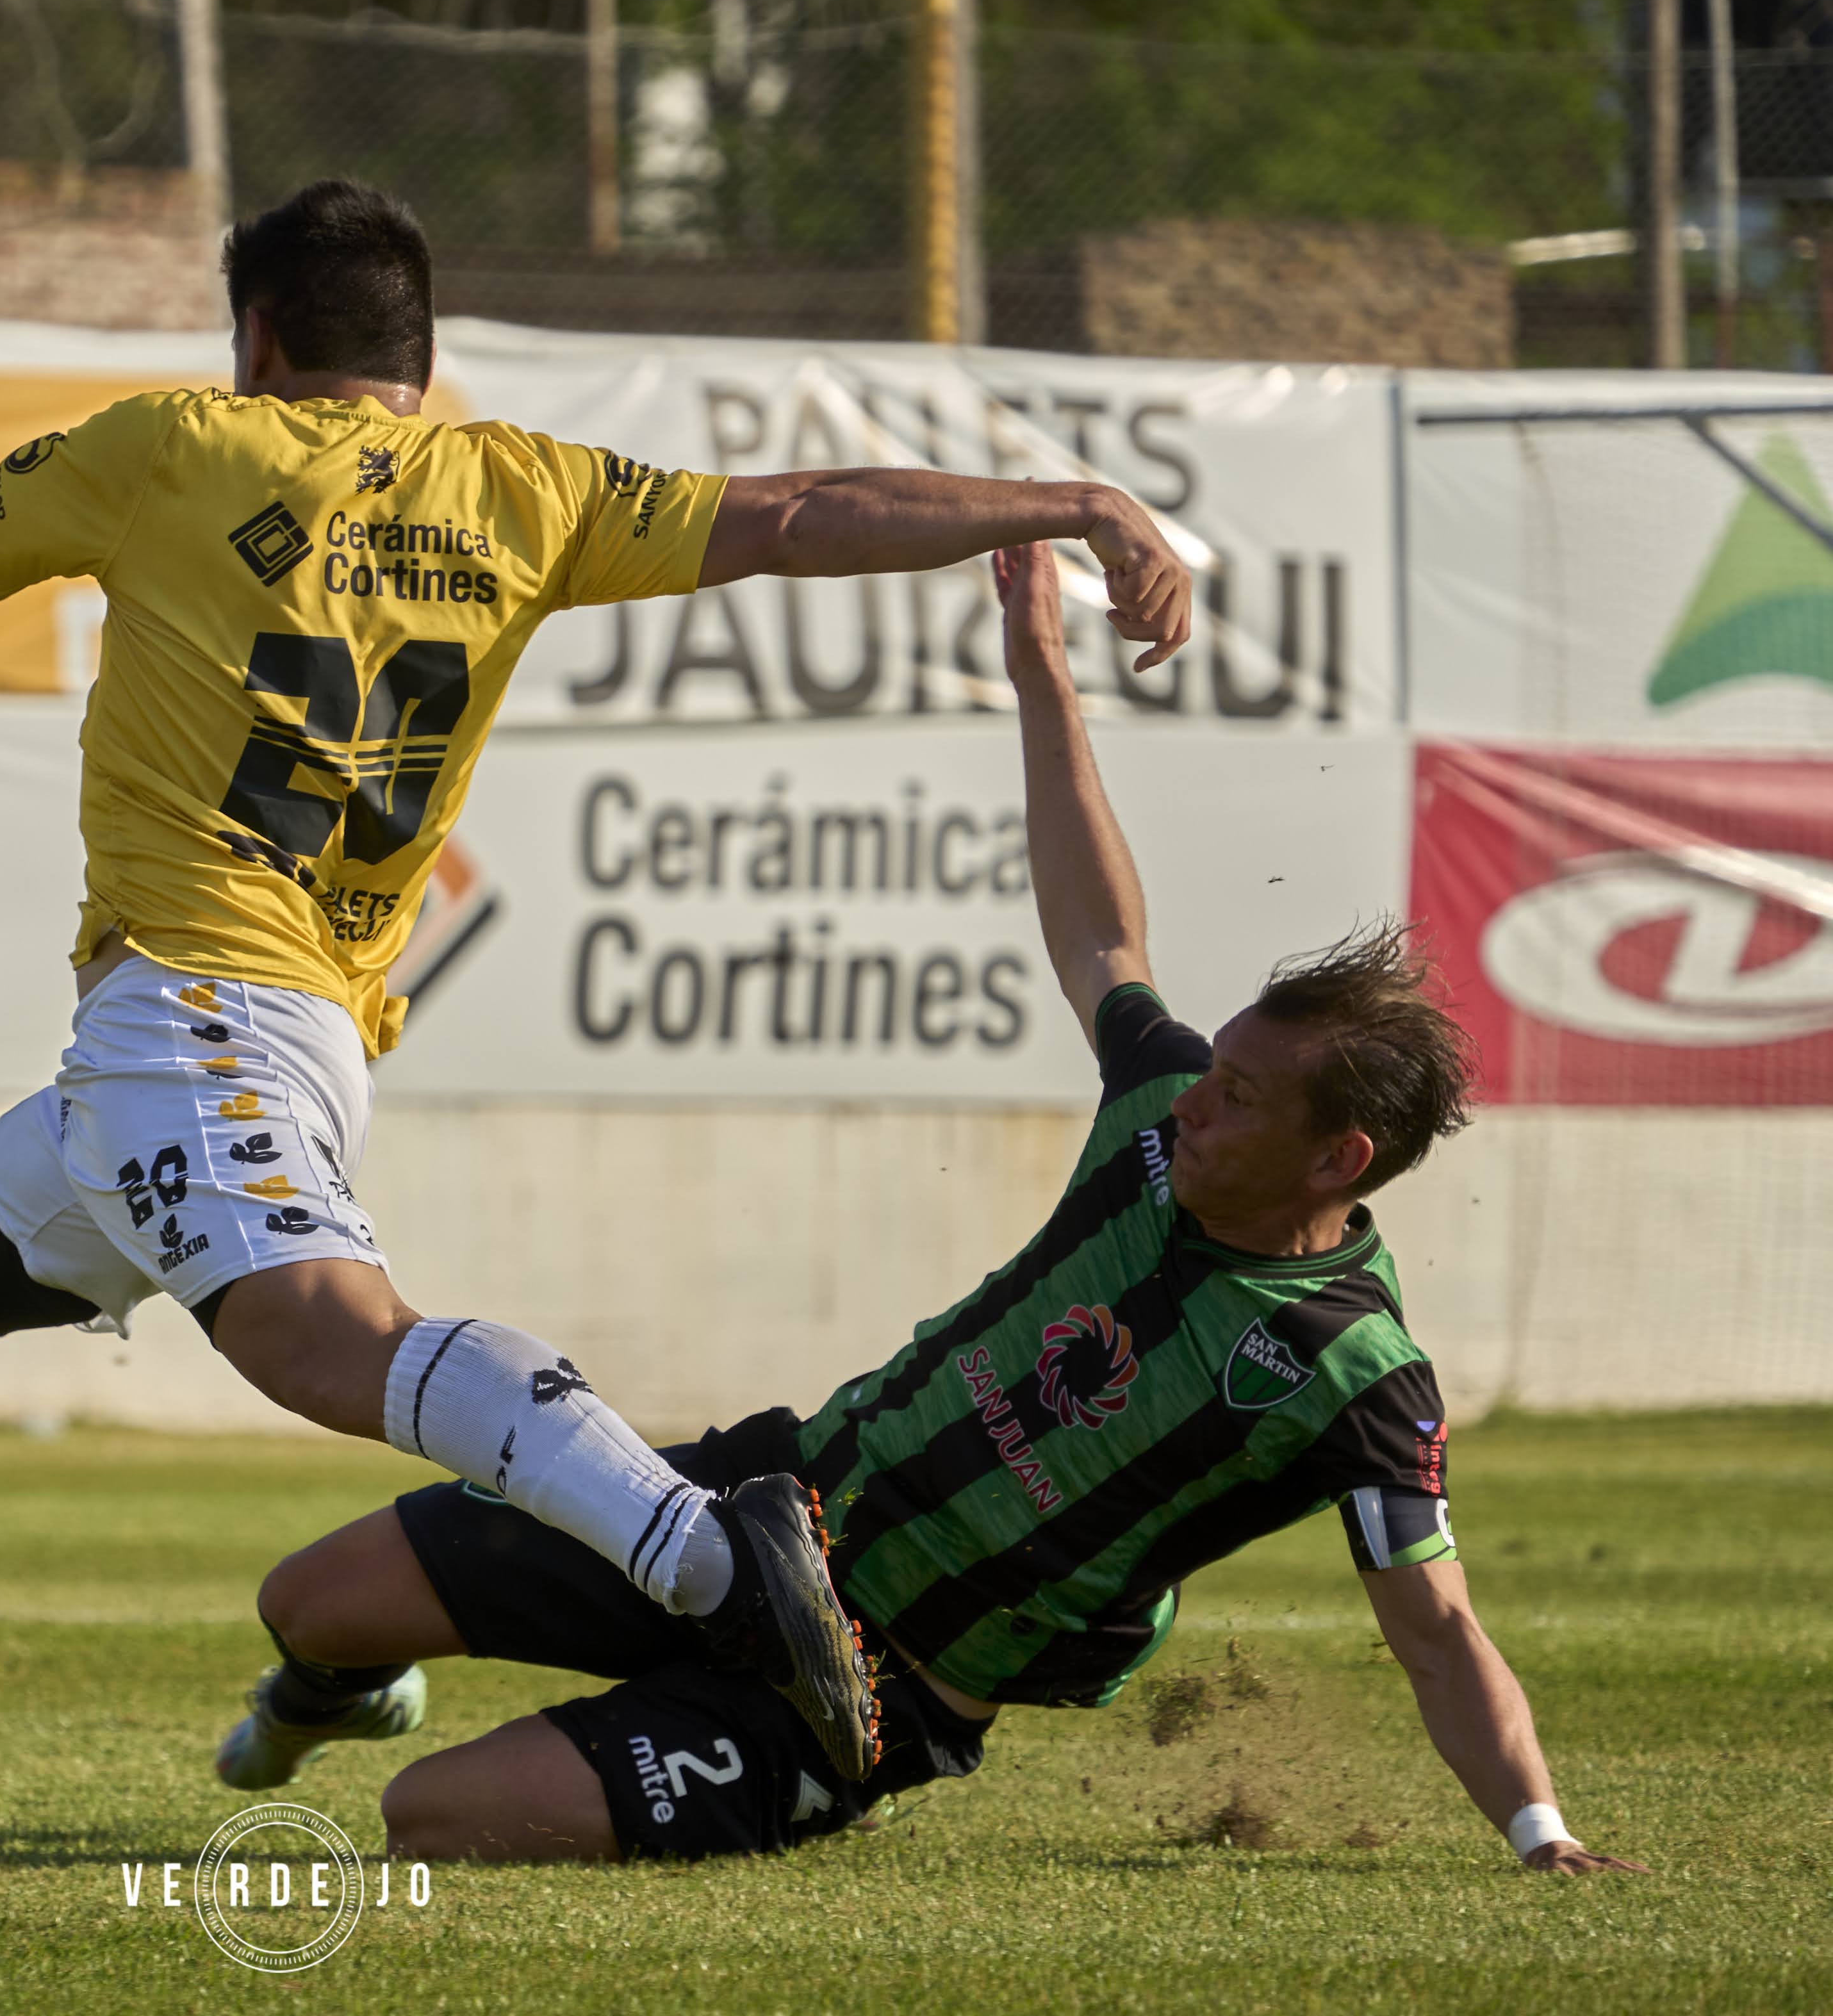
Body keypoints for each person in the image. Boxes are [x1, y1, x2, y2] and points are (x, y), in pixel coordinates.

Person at [0, 181, 1197, 1848]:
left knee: (324, 1340)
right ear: (419, 358)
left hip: (195, 1019)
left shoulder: (167, 448)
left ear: (257, 339)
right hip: (266, 1029)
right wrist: (1072, 503)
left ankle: (718, 1558)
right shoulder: (520, 489)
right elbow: (810, 510)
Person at [207, 537, 1647, 1880]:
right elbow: (1099, 932)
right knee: (309, 1595)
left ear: (1338, 1161)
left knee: (427, 1822)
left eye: (1246, 1098)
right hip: (754, 1509)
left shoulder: (1356, 1376)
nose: (1198, 1095)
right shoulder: (1158, 1108)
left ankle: (744, 1765)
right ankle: (334, 1687)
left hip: (878, 1689)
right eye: (1215, 1065)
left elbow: (1435, 1630)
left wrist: (1536, 1832)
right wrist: (1038, 671)